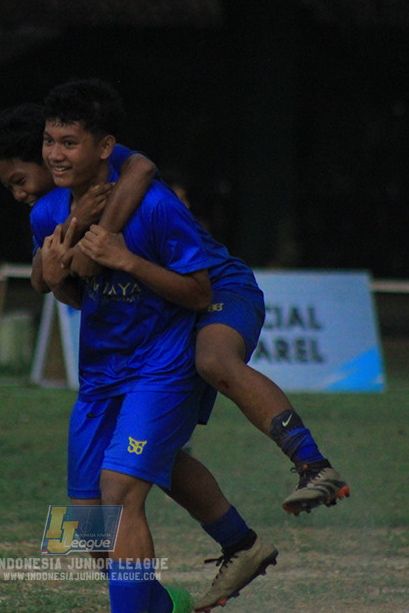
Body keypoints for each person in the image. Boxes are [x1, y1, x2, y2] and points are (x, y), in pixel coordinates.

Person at [0, 102, 350, 517]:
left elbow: (141, 169)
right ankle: (241, 545)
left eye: (20, 180)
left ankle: (313, 465)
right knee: (130, 466)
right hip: (130, 351)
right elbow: (54, 282)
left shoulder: (130, 185)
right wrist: (72, 244)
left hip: (215, 289)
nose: (19, 194)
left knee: (211, 362)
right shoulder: (52, 212)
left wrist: (103, 240)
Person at [32, 78, 278, 613]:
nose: (55, 154)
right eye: (49, 141)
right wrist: (53, 277)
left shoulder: (158, 207)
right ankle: (163, 605)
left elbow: (199, 293)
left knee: (120, 493)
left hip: (162, 368)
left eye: (69, 142)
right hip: (101, 375)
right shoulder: (48, 211)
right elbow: (73, 292)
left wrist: (126, 259)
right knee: (89, 522)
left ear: (105, 146)